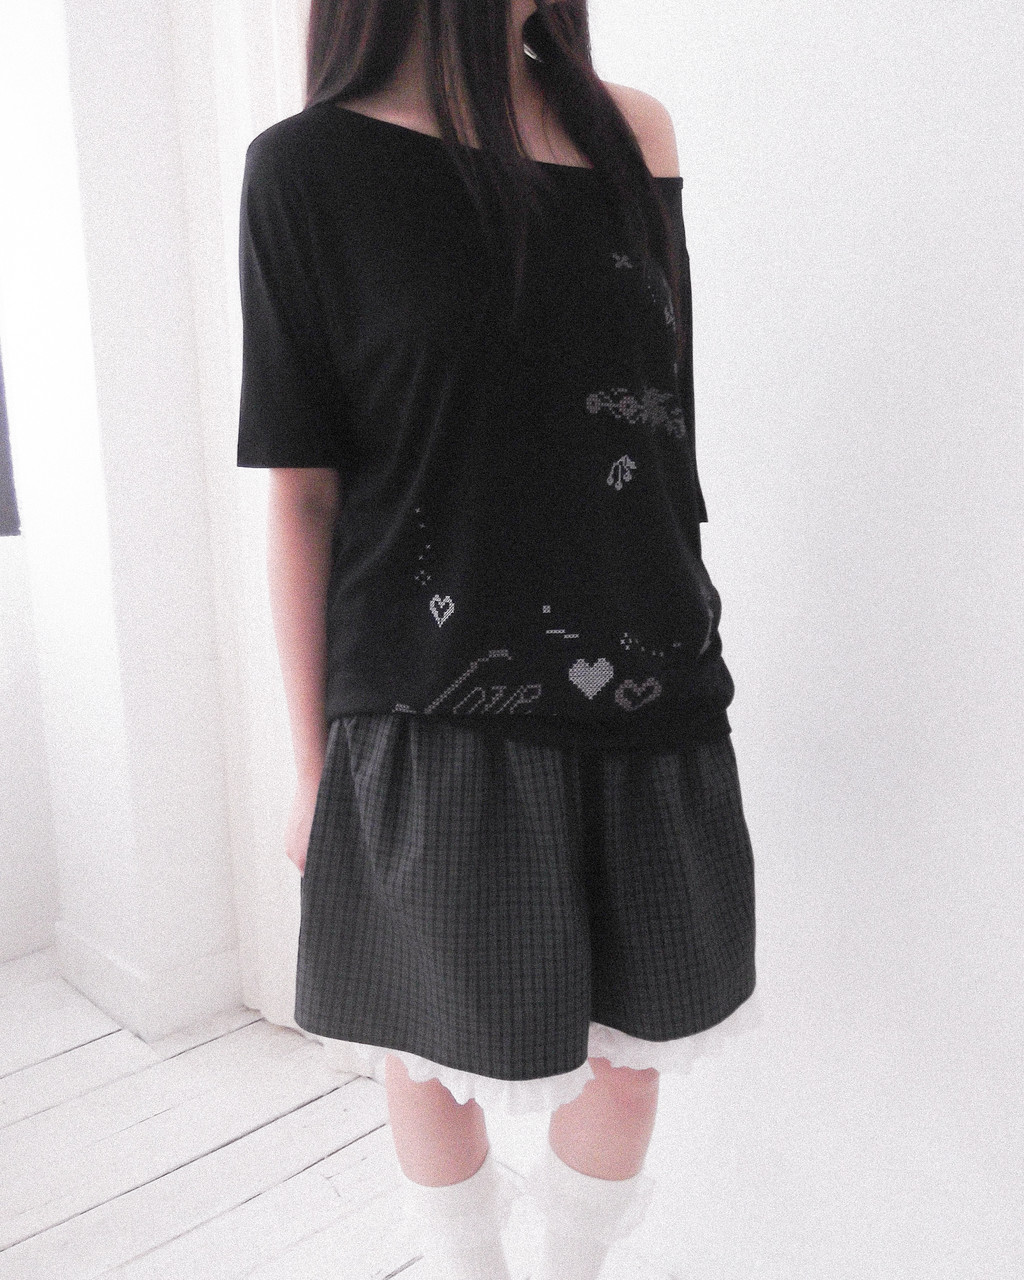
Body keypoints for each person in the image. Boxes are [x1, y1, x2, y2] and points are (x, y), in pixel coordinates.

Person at [236, 2, 761, 1277]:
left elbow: (659, 422)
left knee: (633, 1052)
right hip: (428, 696)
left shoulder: (631, 133)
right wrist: (310, 765)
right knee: (430, 1043)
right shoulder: (306, 168)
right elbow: (302, 493)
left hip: (646, 673)